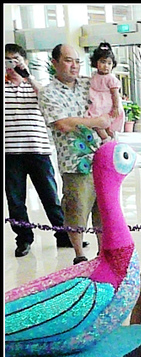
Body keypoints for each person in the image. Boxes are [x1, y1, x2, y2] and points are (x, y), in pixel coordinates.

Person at [39, 44, 108, 265]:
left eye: (77, 61)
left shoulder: (89, 84)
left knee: (104, 208)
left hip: (102, 157)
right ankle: (79, 254)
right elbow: (62, 124)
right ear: (55, 63)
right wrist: (96, 122)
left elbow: (109, 94)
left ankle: (103, 253)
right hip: (74, 163)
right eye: (69, 60)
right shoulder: (48, 92)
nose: (74, 66)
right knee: (77, 207)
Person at [4, 43, 73, 257]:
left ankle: (63, 235)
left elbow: (46, 97)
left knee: (50, 196)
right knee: (15, 200)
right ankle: (23, 239)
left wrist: (26, 74)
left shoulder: (36, 87)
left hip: (38, 150)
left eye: (14, 59)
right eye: (7, 61)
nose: (10, 65)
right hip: (11, 154)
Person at [87, 42, 125, 143]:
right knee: (95, 120)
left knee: (108, 123)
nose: (106, 66)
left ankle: (109, 139)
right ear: (96, 63)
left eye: (109, 63)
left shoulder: (110, 78)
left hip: (107, 103)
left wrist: (116, 107)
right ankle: (105, 138)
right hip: (96, 101)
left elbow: (115, 93)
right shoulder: (94, 76)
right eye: (103, 62)